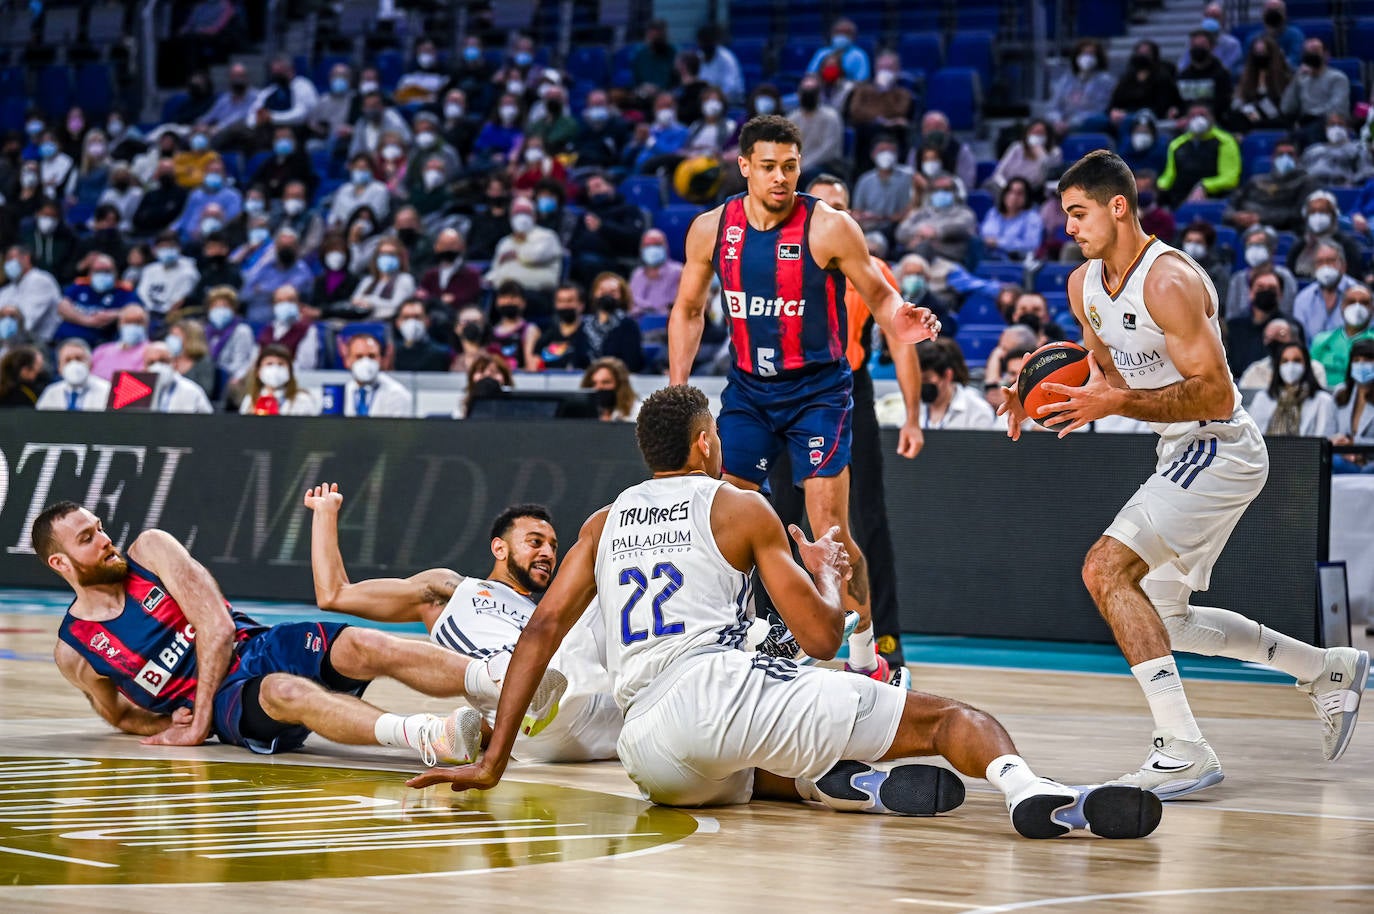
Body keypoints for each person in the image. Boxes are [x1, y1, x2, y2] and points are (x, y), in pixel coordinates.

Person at [405, 385, 1163, 841]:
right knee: (947, 720)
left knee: (741, 763)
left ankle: (828, 783)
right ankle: (1032, 791)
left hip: (651, 755)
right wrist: (826, 577)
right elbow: (822, 636)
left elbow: (540, 632)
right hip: (722, 692)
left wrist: (493, 759)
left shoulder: (603, 521)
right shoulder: (738, 503)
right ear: (706, 444)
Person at [996, 150, 1368, 797]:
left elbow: (1218, 396)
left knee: (1104, 569)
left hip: (1220, 444)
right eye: (1065, 216)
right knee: (1163, 620)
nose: (1070, 228)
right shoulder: (1082, 285)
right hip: (1179, 450)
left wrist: (1116, 404)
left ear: (1119, 207)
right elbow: (1102, 372)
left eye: (1079, 213)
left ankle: (1182, 747)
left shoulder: (1168, 280)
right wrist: (1032, 389)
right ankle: (1325, 668)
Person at [667, 116, 940, 685]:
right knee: (728, 520)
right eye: (768, 167)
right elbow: (689, 310)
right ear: (743, 167)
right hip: (747, 390)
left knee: (830, 531)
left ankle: (868, 658)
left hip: (818, 391)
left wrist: (902, 319)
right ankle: (730, 646)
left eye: (790, 166)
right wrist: (678, 388)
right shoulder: (711, 229)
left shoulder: (829, 227)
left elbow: (882, 296)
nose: (781, 177)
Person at [31, 500, 561, 767]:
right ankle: (430, 737)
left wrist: (192, 722)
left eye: (99, 527)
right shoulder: (74, 650)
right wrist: (177, 718)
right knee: (287, 693)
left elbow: (214, 625)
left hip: (251, 645)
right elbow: (119, 713)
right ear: (60, 561)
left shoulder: (150, 549)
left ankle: (500, 680)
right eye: (87, 537)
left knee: (359, 642)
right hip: (232, 700)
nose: (104, 538)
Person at [306, 485, 617, 762]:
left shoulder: (548, 614)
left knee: (611, 594)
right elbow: (334, 594)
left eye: (552, 547)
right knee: (605, 543)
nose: (548, 553)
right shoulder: (451, 590)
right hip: (524, 718)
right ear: (499, 548)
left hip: (592, 719)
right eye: (535, 542)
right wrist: (324, 513)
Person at [1247, 342, 1337, 436]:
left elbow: (1325, 440)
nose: (1290, 366)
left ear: (1306, 364)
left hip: (1306, 450)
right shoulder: (1262, 398)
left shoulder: (1323, 401)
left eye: (1297, 360)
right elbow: (1252, 438)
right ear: (1278, 366)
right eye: (1285, 361)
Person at [1311, 286, 1374, 383]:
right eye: (1351, 302)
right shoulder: (1322, 340)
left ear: (1372, 309)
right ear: (1342, 306)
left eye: (1364, 303)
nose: (1357, 307)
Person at [342, 332, 412, 418]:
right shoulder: (341, 393)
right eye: (359, 357)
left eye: (372, 356)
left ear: (381, 359)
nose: (365, 362)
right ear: (347, 360)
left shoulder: (398, 394)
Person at [238, 343, 319, 415]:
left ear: (289, 371)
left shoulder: (302, 399)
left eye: (281, 364)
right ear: (258, 371)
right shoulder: (250, 400)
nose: (275, 369)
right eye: (269, 364)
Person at [1331, 338, 1374, 473]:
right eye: (1356, 360)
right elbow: (1331, 432)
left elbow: (1355, 441)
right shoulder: (1341, 392)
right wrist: (1340, 443)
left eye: (1367, 360)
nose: (1361, 365)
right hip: (1344, 459)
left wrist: (1355, 443)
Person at [36, 338, 110, 411]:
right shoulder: (51, 392)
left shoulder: (107, 390)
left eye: (79, 359)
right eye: (67, 360)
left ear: (90, 363)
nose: (74, 364)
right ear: (59, 367)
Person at [537, 283, 593, 371]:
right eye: (561, 301)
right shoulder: (547, 336)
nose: (565, 305)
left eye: (569, 301)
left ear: (581, 305)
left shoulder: (590, 335)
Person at [580, 357, 639, 422]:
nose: (598, 388)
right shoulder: (582, 415)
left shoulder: (637, 413)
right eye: (594, 383)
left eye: (605, 382)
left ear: (620, 384)